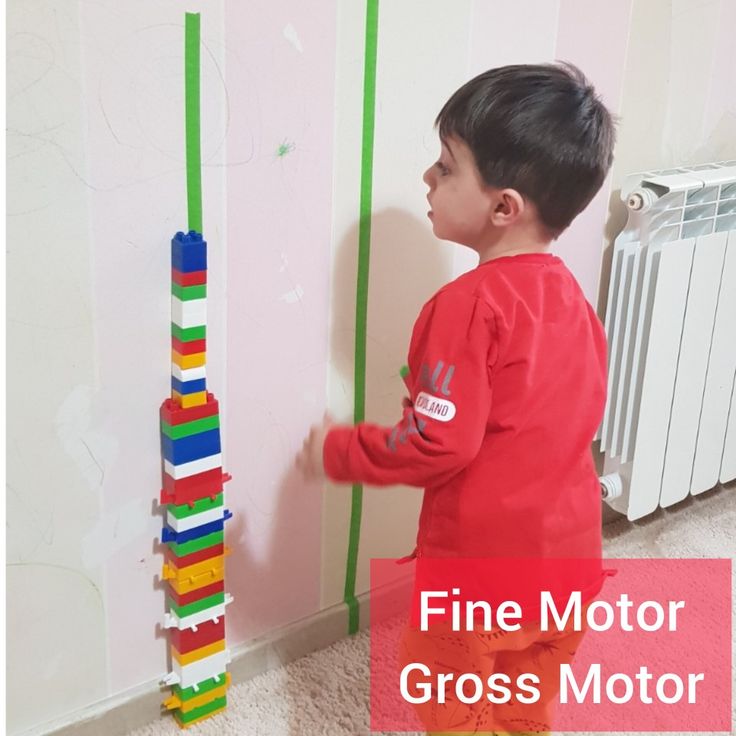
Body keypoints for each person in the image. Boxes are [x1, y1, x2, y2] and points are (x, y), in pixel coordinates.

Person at [296, 61, 618, 734]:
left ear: (503, 207)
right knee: (523, 706)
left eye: (445, 167)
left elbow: (437, 443)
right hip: (570, 567)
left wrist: (341, 450)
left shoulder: (465, 306)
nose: (428, 179)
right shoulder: (573, 301)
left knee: (456, 712)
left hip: (480, 579)